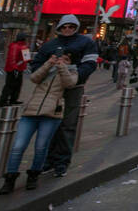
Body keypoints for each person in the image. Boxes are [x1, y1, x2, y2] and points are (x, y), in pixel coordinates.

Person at [0, 48, 78, 194]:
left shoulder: (72, 71)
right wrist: (49, 63)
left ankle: (34, 175)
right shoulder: (48, 69)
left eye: (66, 59)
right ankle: (10, 178)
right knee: (18, 146)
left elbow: (69, 84)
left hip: (52, 113)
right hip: (31, 111)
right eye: (59, 57)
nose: (62, 60)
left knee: (41, 147)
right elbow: (34, 78)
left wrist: (62, 66)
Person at [33, 14, 99, 179]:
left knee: (67, 125)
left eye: (71, 26)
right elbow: (36, 64)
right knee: (49, 124)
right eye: (64, 27)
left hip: (74, 88)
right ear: (59, 28)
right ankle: (48, 161)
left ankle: (61, 162)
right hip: (51, 89)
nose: (67, 29)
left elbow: (90, 64)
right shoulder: (50, 45)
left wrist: (75, 75)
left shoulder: (86, 42)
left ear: (76, 27)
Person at [0, 31, 30, 107]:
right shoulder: (15, 46)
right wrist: (14, 68)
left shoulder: (22, 46)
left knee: (17, 85)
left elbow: (27, 58)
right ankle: (2, 101)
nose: (27, 40)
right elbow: (12, 58)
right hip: (14, 69)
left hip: (19, 69)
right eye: (26, 38)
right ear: (23, 39)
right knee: (9, 85)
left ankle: (13, 99)